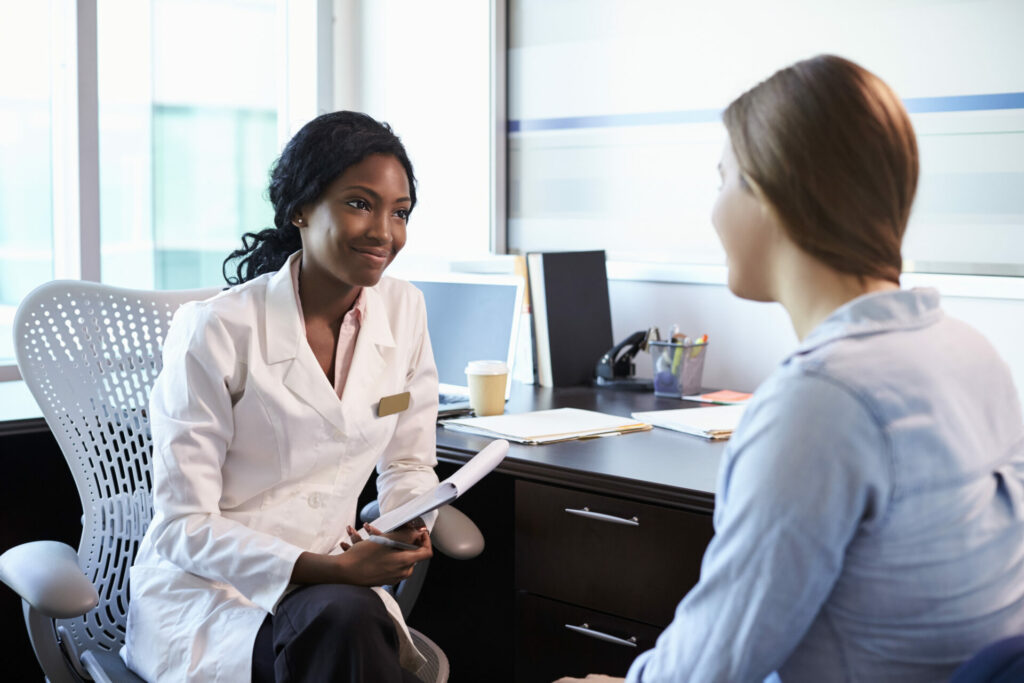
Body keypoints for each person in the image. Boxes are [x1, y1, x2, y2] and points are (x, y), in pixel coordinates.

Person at [557, 54, 1024, 682]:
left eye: (723, 179)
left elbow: (712, 667)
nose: (714, 209)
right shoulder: (968, 350)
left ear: (775, 192)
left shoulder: (822, 401)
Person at [122, 111, 441, 682]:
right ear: (300, 208)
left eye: (400, 213)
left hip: (337, 595)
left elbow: (410, 462)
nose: (384, 233)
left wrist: (405, 522)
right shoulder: (216, 330)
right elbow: (181, 526)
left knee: (343, 624)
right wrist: (333, 570)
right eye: (360, 204)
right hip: (211, 595)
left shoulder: (405, 310)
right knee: (344, 625)